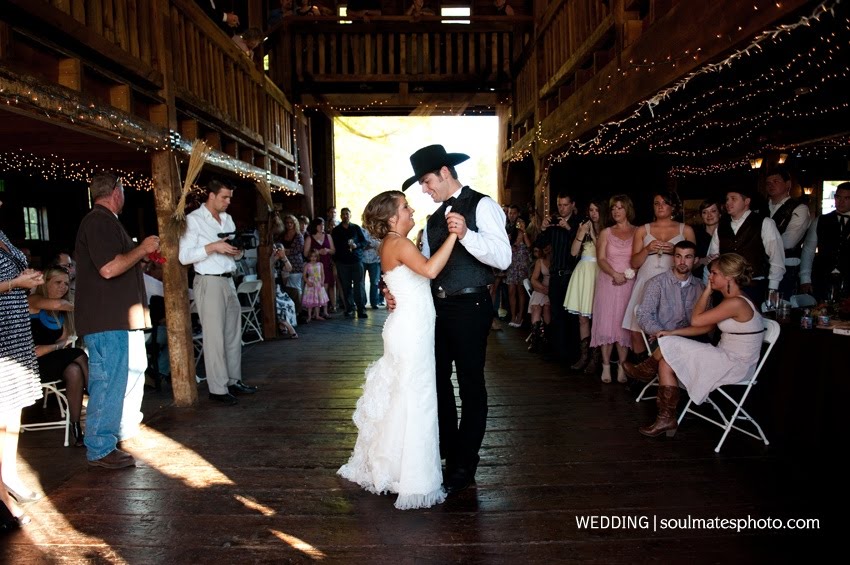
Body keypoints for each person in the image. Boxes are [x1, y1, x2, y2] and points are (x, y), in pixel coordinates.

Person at [395, 144, 511, 493]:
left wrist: (467, 235)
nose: (425, 190)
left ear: (445, 173)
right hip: (437, 308)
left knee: (471, 383)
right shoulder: (432, 220)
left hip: (471, 307)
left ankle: (466, 463)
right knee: (438, 380)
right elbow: (427, 269)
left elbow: (503, 257)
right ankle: (447, 453)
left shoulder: (482, 205)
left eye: (427, 182)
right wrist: (396, 289)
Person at [339, 190, 459, 509]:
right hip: (410, 331)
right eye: (405, 207)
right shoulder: (400, 243)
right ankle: (414, 478)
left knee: (404, 397)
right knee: (415, 397)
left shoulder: (391, 244)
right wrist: (453, 236)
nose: (411, 210)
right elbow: (431, 270)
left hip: (408, 327)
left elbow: (399, 280)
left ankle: (393, 468)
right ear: (392, 217)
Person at [624, 254, 764, 438]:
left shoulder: (735, 302)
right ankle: (666, 418)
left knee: (670, 348)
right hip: (724, 356)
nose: (710, 277)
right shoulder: (732, 301)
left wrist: (707, 291)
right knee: (666, 361)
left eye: (714, 273)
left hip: (736, 365)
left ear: (728, 277)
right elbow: (706, 326)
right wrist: (672, 333)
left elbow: (696, 320)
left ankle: (646, 369)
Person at [75, 172, 158, 468]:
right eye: (123, 189)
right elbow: (108, 269)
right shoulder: (98, 221)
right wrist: (143, 248)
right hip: (106, 319)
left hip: (118, 318)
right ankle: (99, 447)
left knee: (129, 375)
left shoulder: (107, 221)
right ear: (115, 191)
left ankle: (117, 433)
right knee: (108, 381)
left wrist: (139, 256)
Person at [179, 180, 258, 407]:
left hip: (229, 279)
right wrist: (213, 247)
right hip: (208, 281)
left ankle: (233, 380)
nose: (228, 201)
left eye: (230, 197)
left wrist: (237, 251)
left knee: (233, 335)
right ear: (211, 196)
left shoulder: (228, 219)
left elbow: (234, 253)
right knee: (214, 337)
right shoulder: (193, 220)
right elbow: (184, 256)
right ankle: (217, 388)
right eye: (224, 197)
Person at [1, 211, 44, 529]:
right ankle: (2, 495)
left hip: (16, 328)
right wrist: (16, 282)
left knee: (12, 408)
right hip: (1, 332)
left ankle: (9, 475)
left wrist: (29, 279)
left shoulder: (2, 235)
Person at [622, 190, 696, 357]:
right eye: (657, 203)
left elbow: (692, 262)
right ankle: (642, 371)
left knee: (668, 326)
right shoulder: (643, 229)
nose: (660, 207)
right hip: (645, 279)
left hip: (673, 283)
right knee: (636, 329)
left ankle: (666, 369)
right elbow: (634, 263)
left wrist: (675, 251)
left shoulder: (686, 230)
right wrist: (647, 249)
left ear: (673, 206)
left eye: (665, 203)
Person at [28, 266, 89, 447]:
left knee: (74, 370)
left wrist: (52, 347)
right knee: (77, 353)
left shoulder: (60, 315)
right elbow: (36, 352)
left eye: (66, 283)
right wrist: (86, 308)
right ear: (45, 283)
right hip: (30, 366)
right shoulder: (34, 300)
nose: (63, 287)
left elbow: (63, 342)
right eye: (57, 282)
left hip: (50, 362)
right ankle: (97, 399)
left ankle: (76, 429)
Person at [707, 187, 785, 305]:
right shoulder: (722, 226)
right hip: (725, 289)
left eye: (733, 199)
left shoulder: (765, 223)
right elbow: (713, 258)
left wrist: (772, 289)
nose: (728, 202)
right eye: (727, 199)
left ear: (746, 201)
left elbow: (776, 258)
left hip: (754, 287)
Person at [590, 195, 637, 384]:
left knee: (623, 324)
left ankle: (623, 366)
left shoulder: (637, 231)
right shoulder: (606, 232)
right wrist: (614, 274)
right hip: (608, 280)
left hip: (628, 281)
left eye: (620, 208)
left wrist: (629, 273)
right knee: (607, 322)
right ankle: (607, 365)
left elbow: (640, 256)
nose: (616, 211)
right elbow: (601, 259)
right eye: (613, 208)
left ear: (628, 210)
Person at [630, 240, 705, 354]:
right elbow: (644, 315)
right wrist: (659, 331)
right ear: (673, 259)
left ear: (695, 260)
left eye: (688, 257)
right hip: (664, 339)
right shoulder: (656, 283)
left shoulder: (700, 286)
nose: (682, 261)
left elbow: (707, 318)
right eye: (678, 256)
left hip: (693, 339)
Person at [535, 193, 579, 362]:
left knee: (571, 315)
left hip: (571, 275)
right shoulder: (553, 223)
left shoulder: (577, 223)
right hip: (555, 275)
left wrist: (568, 228)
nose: (562, 208)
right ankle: (558, 352)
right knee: (556, 314)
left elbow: (579, 247)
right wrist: (544, 229)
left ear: (572, 204)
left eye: (565, 205)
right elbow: (538, 245)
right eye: (559, 205)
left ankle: (572, 353)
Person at [564, 200, 601, 371]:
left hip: (599, 272)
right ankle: (584, 356)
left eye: (597, 210)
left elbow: (603, 252)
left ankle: (597, 357)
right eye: (591, 210)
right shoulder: (583, 226)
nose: (593, 213)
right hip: (583, 271)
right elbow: (573, 252)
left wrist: (593, 235)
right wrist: (581, 233)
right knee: (582, 317)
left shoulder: (607, 229)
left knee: (598, 317)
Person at [765, 167, 811, 298]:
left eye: (776, 181)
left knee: (780, 308)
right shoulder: (761, 208)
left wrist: (761, 244)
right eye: (768, 183)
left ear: (788, 184)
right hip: (761, 269)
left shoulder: (799, 208)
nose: (771, 185)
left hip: (787, 267)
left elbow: (789, 241)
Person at [800, 182, 850, 301]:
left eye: (847, 198)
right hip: (822, 277)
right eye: (838, 197)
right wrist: (805, 279)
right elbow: (808, 250)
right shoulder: (821, 220)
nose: (841, 201)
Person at [331, 207, 369, 318]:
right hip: (342, 262)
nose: (345, 216)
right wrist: (335, 262)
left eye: (347, 214)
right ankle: (349, 308)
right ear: (340, 216)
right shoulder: (336, 230)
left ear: (350, 215)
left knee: (359, 286)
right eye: (343, 214)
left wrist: (356, 245)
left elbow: (364, 242)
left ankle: (361, 309)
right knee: (346, 287)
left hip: (356, 260)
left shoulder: (356, 228)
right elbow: (333, 246)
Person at [303, 217, 336, 316]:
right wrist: (317, 252)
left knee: (324, 288)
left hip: (326, 264)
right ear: (315, 226)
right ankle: (315, 311)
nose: (322, 227)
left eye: (323, 225)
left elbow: (333, 250)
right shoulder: (309, 238)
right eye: (320, 225)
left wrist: (327, 250)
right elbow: (305, 253)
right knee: (314, 289)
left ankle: (324, 309)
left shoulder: (328, 236)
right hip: (314, 267)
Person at [506, 213, 531, 327]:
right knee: (511, 291)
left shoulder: (525, 233)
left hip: (522, 264)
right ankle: (512, 316)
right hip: (512, 263)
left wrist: (523, 231)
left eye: (521, 223)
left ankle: (520, 316)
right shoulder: (511, 232)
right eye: (518, 223)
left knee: (520, 291)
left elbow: (529, 245)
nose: (519, 224)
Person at [527, 241, 551, 353]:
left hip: (554, 289)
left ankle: (547, 338)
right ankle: (535, 338)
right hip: (542, 288)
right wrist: (543, 288)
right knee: (536, 306)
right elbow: (533, 279)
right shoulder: (540, 261)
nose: (546, 249)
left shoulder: (558, 259)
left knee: (546, 307)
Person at [693, 199, 720, 279]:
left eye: (713, 211)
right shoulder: (695, 236)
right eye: (705, 212)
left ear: (720, 214)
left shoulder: (727, 235)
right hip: (700, 280)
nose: (709, 215)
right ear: (701, 216)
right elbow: (689, 264)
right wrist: (701, 261)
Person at [302, 248, 330, 322]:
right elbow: (304, 275)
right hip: (311, 285)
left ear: (317, 257)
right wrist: (307, 281)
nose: (313, 258)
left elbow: (322, 274)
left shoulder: (320, 264)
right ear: (309, 257)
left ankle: (317, 315)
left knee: (317, 301)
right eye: (311, 256)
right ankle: (309, 316)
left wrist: (322, 281)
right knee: (310, 301)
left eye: (315, 256)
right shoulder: (307, 265)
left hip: (318, 284)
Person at [361, 226, 383, 308]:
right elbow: (360, 243)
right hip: (363, 259)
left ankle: (374, 302)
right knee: (361, 282)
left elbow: (379, 244)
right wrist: (368, 244)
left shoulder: (376, 229)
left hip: (374, 260)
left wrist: (368, 244)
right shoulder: (360, 230)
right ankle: (362, 302)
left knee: (374, 282)